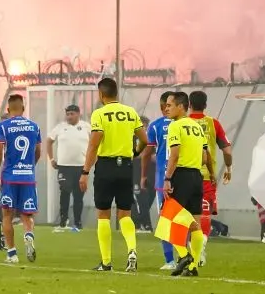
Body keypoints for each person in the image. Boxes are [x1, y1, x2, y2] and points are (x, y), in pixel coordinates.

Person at [79, 77, 149, 272]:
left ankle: (106, 262)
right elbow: (145, 139)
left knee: (103, 214)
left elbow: (94, 144)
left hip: (106, 167)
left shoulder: (99, 114)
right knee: (125, 214)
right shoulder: (130, 112)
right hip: (126, 167)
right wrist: (135, 151)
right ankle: (132, 251)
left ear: (101, 94)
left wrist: (85, 171)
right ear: (116, 92)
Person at [164, 91, 214, 277]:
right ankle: (192, 267)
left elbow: (174, 155)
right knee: (196, 222)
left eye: (169, 105)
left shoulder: (176, 126)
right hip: (197, 176)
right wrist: (211, 173)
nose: (166, 108)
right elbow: (204, 156)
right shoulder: (197, 127)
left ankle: (184, 256)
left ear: (181, 106)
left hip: (181, 176)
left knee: (171, 219)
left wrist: (168, 178)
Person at [0, 94, 42, 263]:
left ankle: (12, 254)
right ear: (23, 108)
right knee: (27, 215)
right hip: (28, 177)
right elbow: (38, 151)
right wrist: (30, 166)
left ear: (8, 109)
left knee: (7, 215)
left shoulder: (2, 126)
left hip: (9, 177)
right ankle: (28, 234)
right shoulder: (34, 127)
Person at [187, 90, 233, 266]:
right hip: (206, 177)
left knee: (186, 215)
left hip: (184, 176)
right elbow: (227, 150)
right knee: (204, 214)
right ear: (205, 105)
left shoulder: (182, 123)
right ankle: (200, 247)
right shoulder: (213, 124)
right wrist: (228, 167)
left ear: (189, 105)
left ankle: (189, 250)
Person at [141, 91, 175, 269]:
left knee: (165, 220)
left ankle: (170, 260)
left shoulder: (155, 126)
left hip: (164, 181)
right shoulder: (188, 124)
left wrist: (143, 175)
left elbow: (146, 153)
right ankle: (192, 254)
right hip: (185, 178)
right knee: (186, 218)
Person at [47, 103, 90, 231]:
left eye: (72, 114)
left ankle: (77, 222)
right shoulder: (60, 127)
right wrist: (52, 159)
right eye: (67, 114)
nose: (69, 116)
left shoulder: (86, 127)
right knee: (64, 191)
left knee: (78, 195)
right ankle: (63, 220)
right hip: (64, 167)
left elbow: (95, 142)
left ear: (78, 114)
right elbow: (49, 141)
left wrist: (93, 159)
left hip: (81, 167)